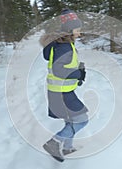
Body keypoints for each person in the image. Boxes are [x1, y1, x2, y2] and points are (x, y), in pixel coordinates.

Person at [39, 9, 88, 162]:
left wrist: (77, 71)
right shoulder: (64, 46)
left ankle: (67, 147)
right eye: (77, 29)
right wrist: (78, 74)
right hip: (61, 92)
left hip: (59, 90)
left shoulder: (61, 43)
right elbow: (58, 70)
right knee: (82, 120)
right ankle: (54, 142)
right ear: (69, 30)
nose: (79, 32)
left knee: (71, 120)